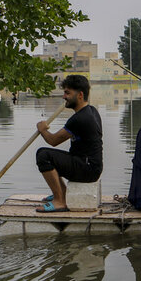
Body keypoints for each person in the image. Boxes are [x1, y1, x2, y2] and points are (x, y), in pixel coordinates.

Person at [35, 74, 103, 212]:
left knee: (43, 155)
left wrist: (42, 130)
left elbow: (53, 141)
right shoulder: (91, 111)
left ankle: (60, 201)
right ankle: (61, 193)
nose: (64, 97)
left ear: (80, 95)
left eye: (67, 93)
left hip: (88, 169)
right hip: (91, 166)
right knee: (53, 158)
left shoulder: (80, 119)